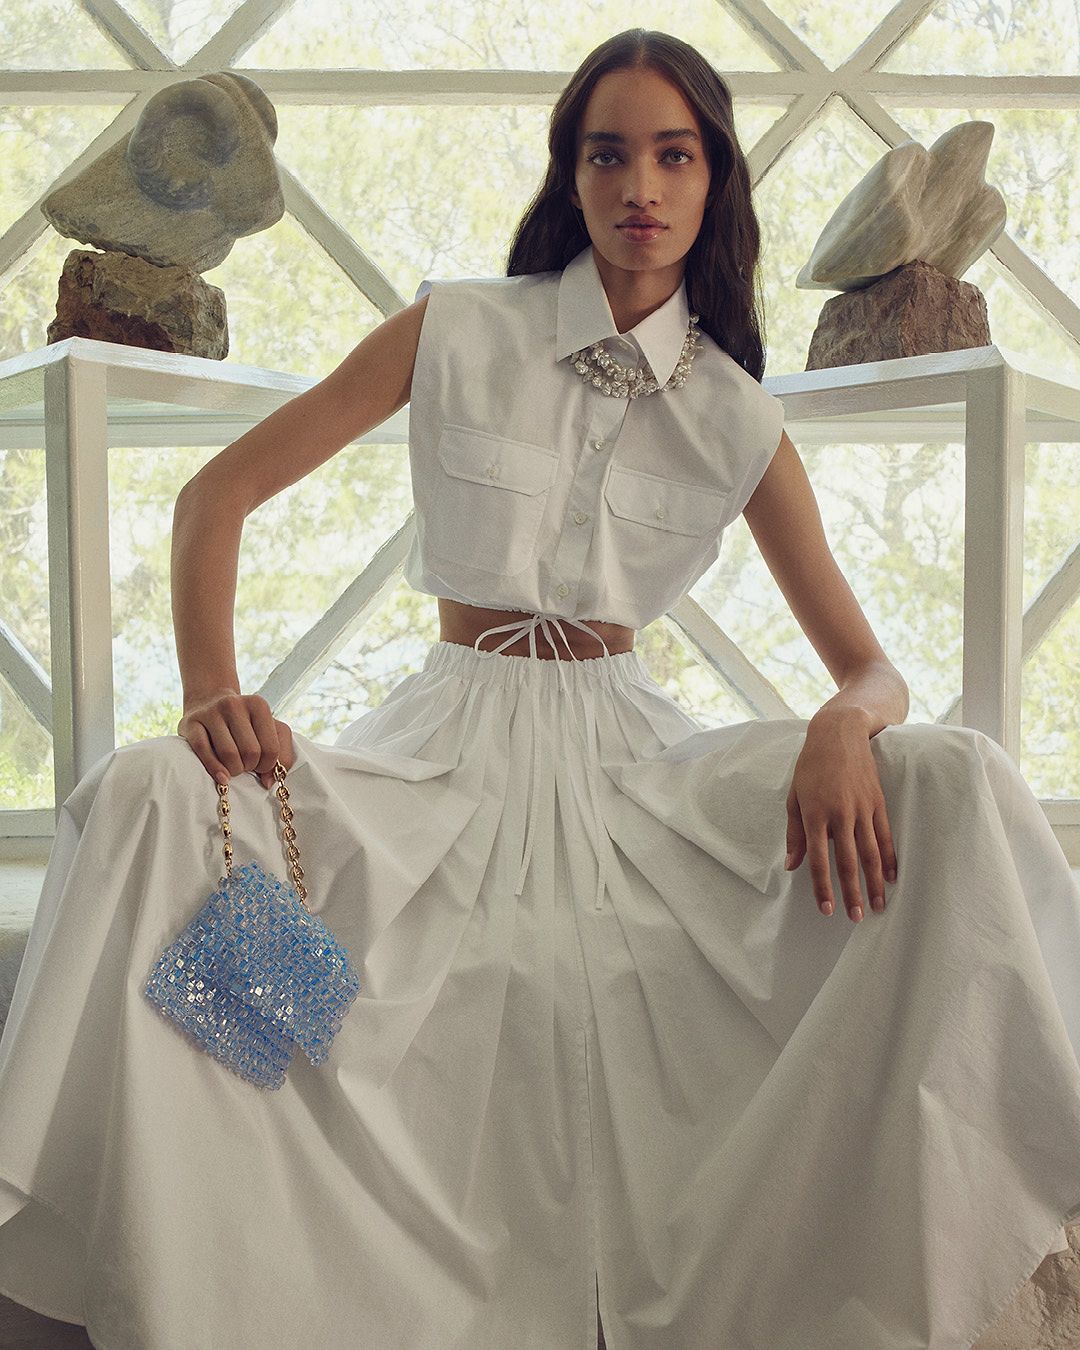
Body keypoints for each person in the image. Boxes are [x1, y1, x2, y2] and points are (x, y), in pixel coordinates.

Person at [1, 26, 1078, 1350]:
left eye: (673, 155)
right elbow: (216, 496)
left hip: (640, 771)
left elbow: (870, 662)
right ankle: (234, 1280)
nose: (641, 183)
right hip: (441, 749)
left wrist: (850, 719)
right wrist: (215, 688)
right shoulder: (457, 326)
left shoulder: (738, 412)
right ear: (571, 175)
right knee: (154, 793)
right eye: (607, 151)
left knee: (956, 777)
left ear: (712, 179)